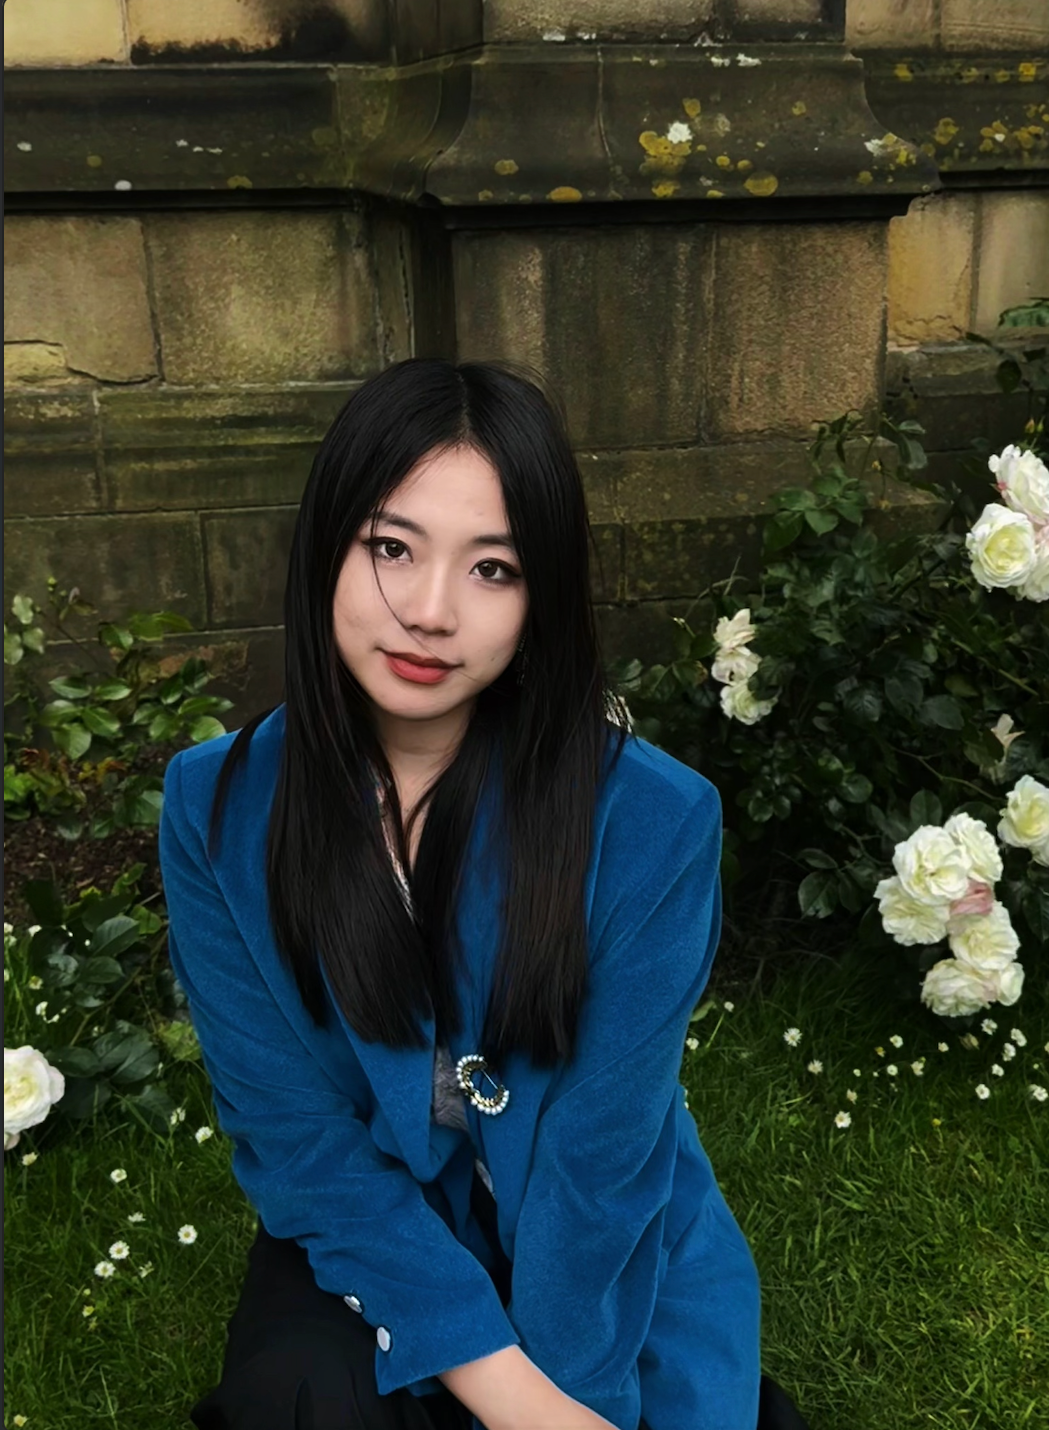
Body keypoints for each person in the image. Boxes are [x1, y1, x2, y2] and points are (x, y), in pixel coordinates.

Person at [158, 359, 810, 1430]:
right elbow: (300, 1142)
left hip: (584, 1223)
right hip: (377, 1216)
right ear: (327, 547)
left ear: (540, 595)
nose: (428, 611)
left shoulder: (654, 821)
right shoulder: (216, 809)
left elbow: (601, 1165)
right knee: (299, 1398)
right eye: (391, 548)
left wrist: (571, 1399)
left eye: (493, 568)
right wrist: (508, 1393)